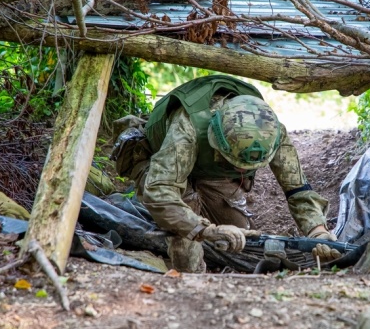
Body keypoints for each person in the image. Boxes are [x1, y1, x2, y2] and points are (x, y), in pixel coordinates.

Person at [115, 75, 337, 273]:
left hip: (208, 169)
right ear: (217, 139)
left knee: (237, 238)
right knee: (186, 243)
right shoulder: (187, 128)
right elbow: (160, 191)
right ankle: (188, 279)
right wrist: (205, 229)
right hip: (160, 163)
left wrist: (317, 230)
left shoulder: (270, 131)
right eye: (235, 163)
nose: (241, 170)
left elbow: (297, 188)